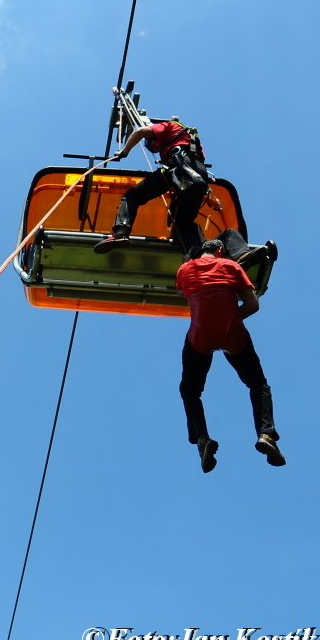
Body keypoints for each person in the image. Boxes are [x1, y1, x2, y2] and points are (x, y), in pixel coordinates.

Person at [175, 238, 285, 473]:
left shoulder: (185, 269)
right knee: (258, 384)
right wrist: (230, 319)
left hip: (199, 336)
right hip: (233, 333)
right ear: (220, 250)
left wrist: (187, 262)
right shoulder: (231, 266)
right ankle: (266, 434)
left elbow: (181, 294)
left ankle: (202, 439)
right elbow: (253, 305)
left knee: (190, 391)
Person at [95, 118, 210, 255]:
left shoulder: (169, 126)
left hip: (178, 165)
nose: (156, 148)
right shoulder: (191, 139)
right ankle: (199, 257)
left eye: (153, 145)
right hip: (198, 175)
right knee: (183, 224)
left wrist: (124, 152)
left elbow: (141, 132)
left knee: (132, 196)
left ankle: (121, 233)